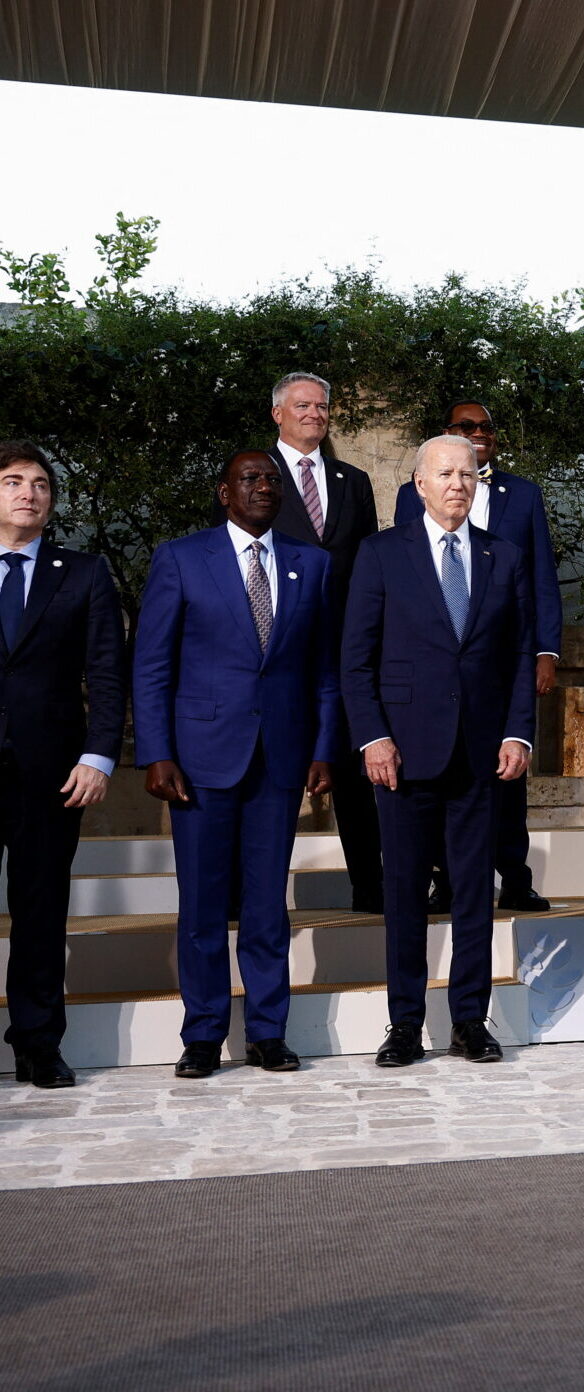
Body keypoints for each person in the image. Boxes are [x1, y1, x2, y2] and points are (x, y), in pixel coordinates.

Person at [137, 452, 339, 1079]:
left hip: (279, 760)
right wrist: (157, 751)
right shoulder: (180, 558)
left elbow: (325, 672)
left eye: (272, 480)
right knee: (200, 904)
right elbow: (153, 665)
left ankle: (267, 1033)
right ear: (224, 492)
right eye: (251, 479)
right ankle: (201, 1034)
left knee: (265, 906)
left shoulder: (314, 564)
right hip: (198, 761)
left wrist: (323, 748)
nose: (264, 487)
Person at [344, 435, 538, 1066]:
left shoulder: (503, 556)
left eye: (469, 473)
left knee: (474, 892)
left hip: (482, 753)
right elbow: (356, 659)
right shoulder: (380, 554)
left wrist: (517, 731)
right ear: (418, 485)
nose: (459, 482)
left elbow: (517, 656)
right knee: (403, 891)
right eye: (446, 473)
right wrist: (373, 736)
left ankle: (468, 1022)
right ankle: (403, 1025)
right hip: (401, 753)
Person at [395, 401, 560, 914]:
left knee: (507, 772)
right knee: (446, 771)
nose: (478, 433)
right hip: (438, 668)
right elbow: (408, 576)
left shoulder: (524, 494)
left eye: (485, 427)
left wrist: (545, 649)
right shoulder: (410, 495)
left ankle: (514, 874)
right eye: (466, 427)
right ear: (447, 435)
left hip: (499, 660)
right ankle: (446, 879)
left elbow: (540, 579)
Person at [0, 443, 128, 1090]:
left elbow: (106, 672)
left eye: (41, 483)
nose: (29, 492)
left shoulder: (82, 572)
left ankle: (37, 1043)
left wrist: (100, 754)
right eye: (14, 481)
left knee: (42, 908)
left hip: (51, 770)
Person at [263, 372, 382, 911]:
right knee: (275, 771)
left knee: (357, 771)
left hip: (346, 645)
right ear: (278, 414)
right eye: (302, 405)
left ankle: (371, 888)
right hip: (278, 646)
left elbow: (368, 564)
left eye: (322, 406)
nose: (314, 413)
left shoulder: (352, 480)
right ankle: (258, 893)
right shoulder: (254, 476)